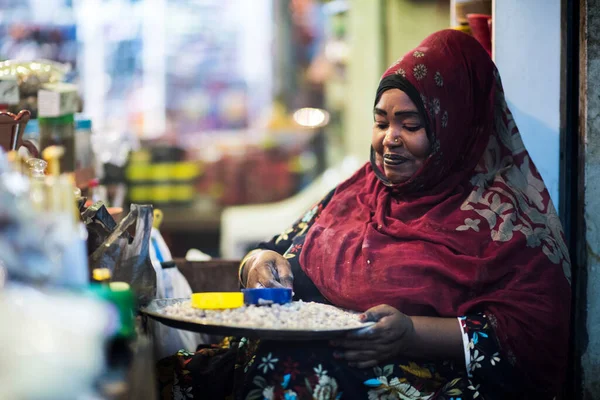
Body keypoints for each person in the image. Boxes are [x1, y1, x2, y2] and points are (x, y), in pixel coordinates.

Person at [158, 29, 571, 400]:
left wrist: (411, 336)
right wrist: (260, 265)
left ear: (456, 129)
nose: (389, 140)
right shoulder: (361, 190)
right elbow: (276, 252)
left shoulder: (503, 223)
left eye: (410, 125)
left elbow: (532, 337)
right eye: (380, 122)